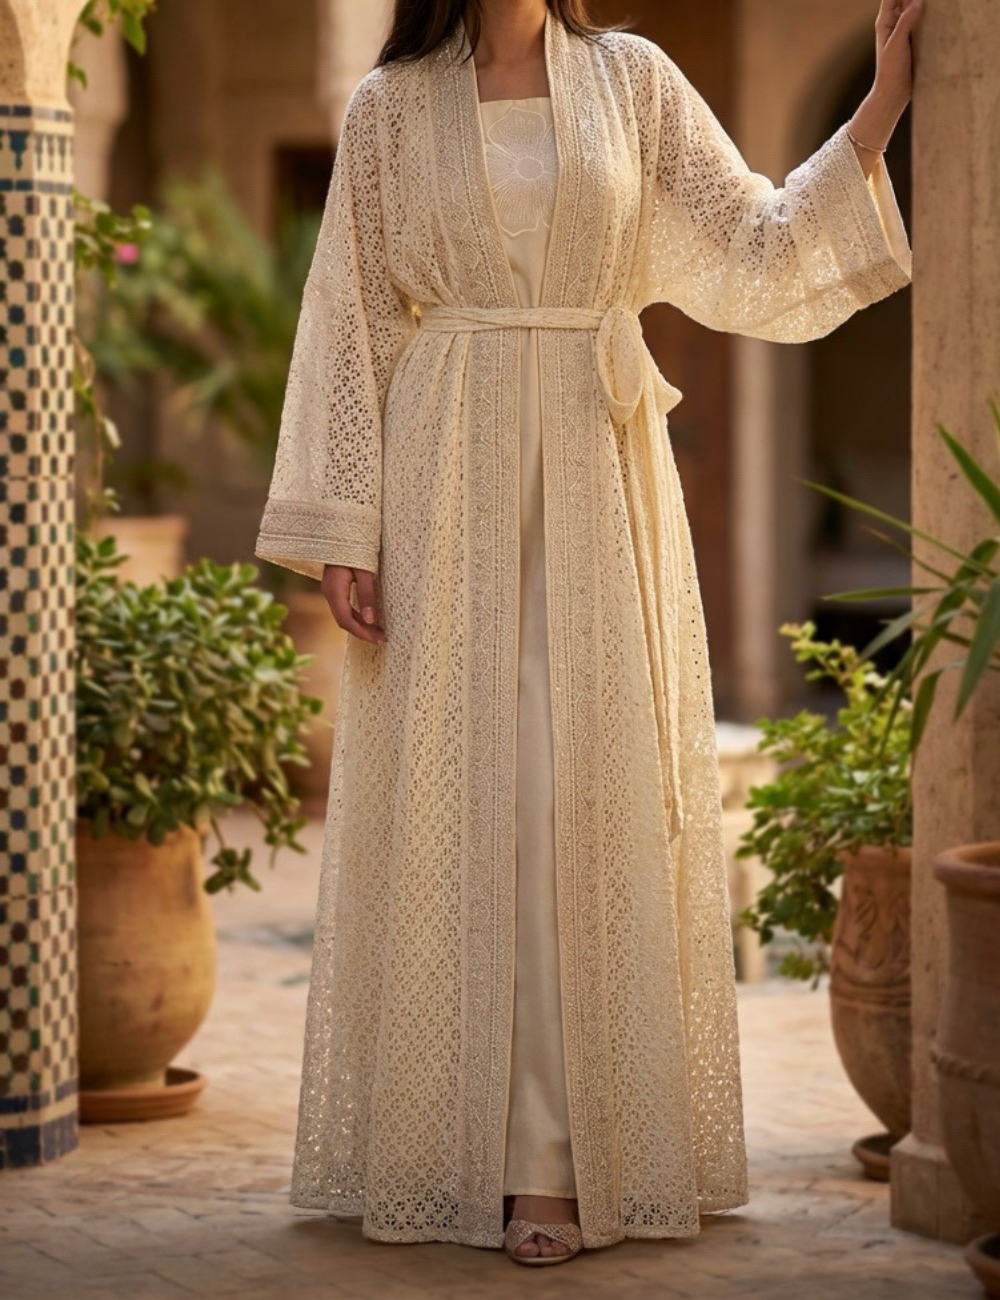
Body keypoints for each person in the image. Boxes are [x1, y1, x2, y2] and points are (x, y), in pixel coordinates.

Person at [255, 0, 919, 1269]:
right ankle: (464, 1147)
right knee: (468, 806)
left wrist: (881, 100)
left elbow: (760, 245)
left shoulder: (633, 80)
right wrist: (347, 520)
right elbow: (346, 316)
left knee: (579, 797)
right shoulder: (389, 109)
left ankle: (555, 1161)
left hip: (596, 473)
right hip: (441, 479)